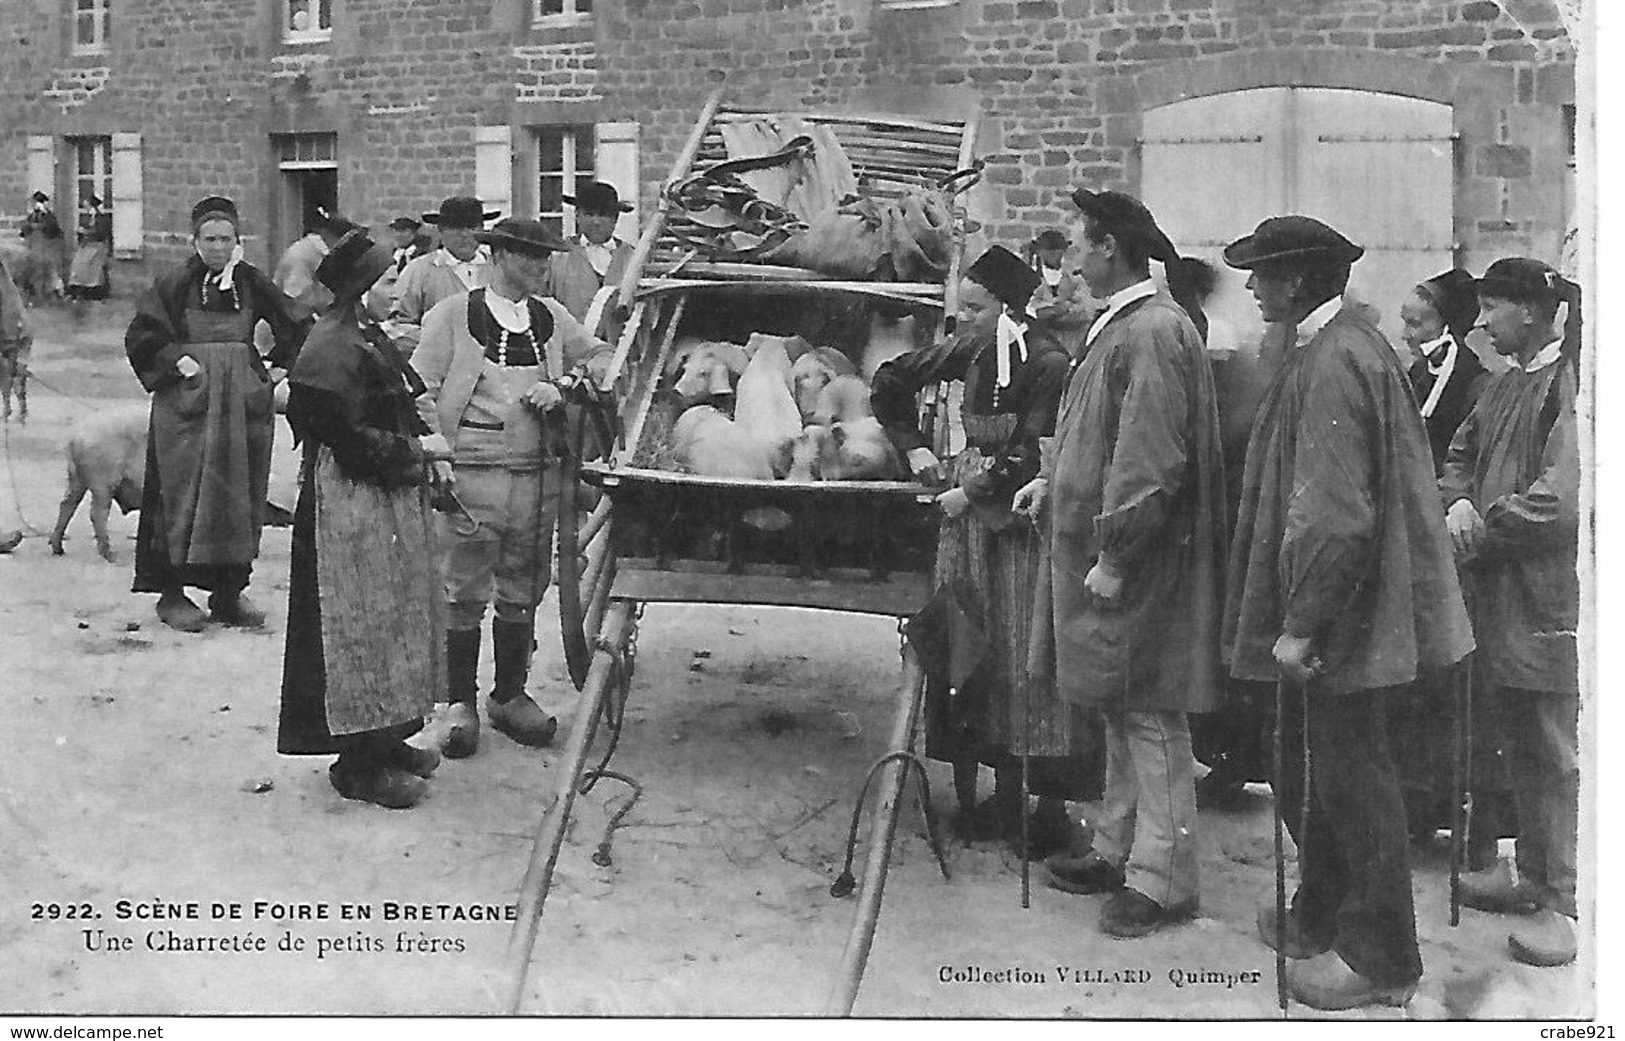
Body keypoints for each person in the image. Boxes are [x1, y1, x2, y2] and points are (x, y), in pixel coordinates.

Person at [1220, 216, 1473, 1010]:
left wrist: (1301, 622)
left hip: (1348, 616)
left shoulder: (1334, 361)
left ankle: (1381, 958)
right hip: (1352, 606)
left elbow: (1333, 516)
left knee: (1351, 776)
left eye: (1261, 273)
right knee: (1312, 767)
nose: (1252, 286)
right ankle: (1321, 911)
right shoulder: (1340, 347)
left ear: (1297, 281)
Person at [1015, 190, 1227, 939]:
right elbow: (1100, 435)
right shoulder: (1124, 326)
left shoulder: (1153, 331)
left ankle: (1165, 878)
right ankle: (1117, 846)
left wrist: (1114, 552)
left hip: (1135, 560)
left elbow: (1149, 460)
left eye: (1077, 245)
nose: (1067, 261)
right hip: (1103, 552)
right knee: (1116, 702)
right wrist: (1053, 479)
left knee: (1148, 710)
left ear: (1107, 248)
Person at [872, 245, 1094, 855]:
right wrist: (914, 448)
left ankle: (1047, 807)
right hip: (967, 528)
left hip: (1021, 524)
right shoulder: (971, 348)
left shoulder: (1048, 361)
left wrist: (970, 495)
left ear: (1004, 308)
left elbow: (1036, 449)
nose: (961, 318)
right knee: (977, 648)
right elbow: (891, 381)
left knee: (1030, 655)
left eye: (973, 307)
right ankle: (1001, 793)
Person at [412, 218, 613, 758]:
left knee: (524, 583)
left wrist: (563, 384)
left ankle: (509, 694)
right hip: (471, 474)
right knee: (463, 588)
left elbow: (600, 357)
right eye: (531, 258)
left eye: (546, 258)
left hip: (536, 473)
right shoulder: (453, 316)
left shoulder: (550, 317)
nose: (543, 268)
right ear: (499, 256)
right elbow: (418, 388)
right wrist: (434, 449)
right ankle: (459, 703)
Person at [1441, 257, 1581, 969]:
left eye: (1490, 307)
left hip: (1545, 598)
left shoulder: (1572, 388)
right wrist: (1458, 501)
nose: (1479, 322)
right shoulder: (1500, 386)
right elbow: (1458, 455)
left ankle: (1563, 900)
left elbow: (1560, 505)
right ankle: (1528, 873)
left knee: (1554, 752)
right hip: (1496, 598)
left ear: (1527, 310)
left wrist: (1479, 528)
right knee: (1517, 743)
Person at [277, 227, 446, 809]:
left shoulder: (369, 334)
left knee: (392, 615)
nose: (399, 284)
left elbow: (404, 399)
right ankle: (357, 764)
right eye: (390, 277)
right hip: (347, 503)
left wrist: (422, 439)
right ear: (364, 288)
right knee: (355, 622)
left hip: (383, 497)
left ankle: (388, 738)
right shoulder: (328, 346)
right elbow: (347, 439)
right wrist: (420, 453)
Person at [124, 196, 308, 632]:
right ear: (195, 241)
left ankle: (228, 593)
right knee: (180, 495)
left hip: (242, 408)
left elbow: (297, 323)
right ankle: (172, 594)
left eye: (226, 239)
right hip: (186, 407)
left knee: (236, 496)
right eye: (209, 239)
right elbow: (141, 335)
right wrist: (175, 360)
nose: (218, 247)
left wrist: (275, 369)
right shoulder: (173, 282)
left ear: (237, 241)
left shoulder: (251, 282)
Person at [1389, 268, 1508, 860]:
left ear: (1448, 325)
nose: (1408, 334)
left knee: (1454, 692)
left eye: (1418, 323)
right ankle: (1416, 808)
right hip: (1414, 546)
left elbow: (1470, 465)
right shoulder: (1414, 376)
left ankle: (1472, 826)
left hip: (1453, 554)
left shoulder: (1479, 386)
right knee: (1413, 690)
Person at [390, 196, 498, 356]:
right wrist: (441, 344)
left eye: (472, 227)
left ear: (482, 230)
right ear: (441, 230)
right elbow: (397, 327)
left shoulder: (498, 269)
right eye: (455, 227)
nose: (465, 234)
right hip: (438, 367)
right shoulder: (419, 270)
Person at [1403, 269, 1488, 472]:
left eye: (1414, 324)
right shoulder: (1417, 373)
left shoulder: (1474, 383)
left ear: (1447, 326)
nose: (1405, 335)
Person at [547, 181, 637, 343]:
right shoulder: (557, 255)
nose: (596, 221)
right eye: (589, 214)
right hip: (570, 353)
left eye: (603, 215)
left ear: (615, 218)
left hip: (622, 354)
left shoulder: (633, 258)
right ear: (577, 215)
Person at [274, 210, 349, 321]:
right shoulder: (301, 255)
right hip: (294, 325)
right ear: (328, 234)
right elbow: (296, 297)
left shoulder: (326, 254)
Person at [1024, 228, 1094, 345]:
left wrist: (1060, 309)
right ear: (1040, 252)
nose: (1053, 254)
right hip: (1040, 343)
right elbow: (1028, 310)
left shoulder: (1074, 278)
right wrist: (1056, 309)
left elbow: (1085, 311)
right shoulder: (1030, 279)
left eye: (1057, 250)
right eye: (1049, 250)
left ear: (1063, 251)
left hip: (1071, 341)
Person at [364, 215, 433, 321]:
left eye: (404, 231)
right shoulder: (395, 253)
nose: (398, 235)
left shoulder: (420, 253)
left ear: (413, 233)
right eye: (396, 230)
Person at [0, 247, 31, 422]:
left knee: (10, 370)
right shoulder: (7, 282)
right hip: (17, 328)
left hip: (13, 331)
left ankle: (12, 408)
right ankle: (15, 408)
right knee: (13, 370)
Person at [18, 191, 64, 305]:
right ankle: (35, 296)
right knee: (33, 271)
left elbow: (53, 231)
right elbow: (25, 229)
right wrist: (26, 230)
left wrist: (41, 225)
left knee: (50, 271)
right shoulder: (32, 216)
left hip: (47, 248)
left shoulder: (49, 216)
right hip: (34, 247)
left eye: (38, 202)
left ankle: (54, 295)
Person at [65, 194, 113, 302]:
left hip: (98, 246)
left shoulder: (101, 218)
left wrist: (87, 232)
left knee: (92, 266)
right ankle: (78, 289)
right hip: (88, 246)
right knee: (78, 263)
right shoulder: (88, 218)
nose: (85, 208)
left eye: (87, 206)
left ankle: (93, 291)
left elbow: (101, 233)